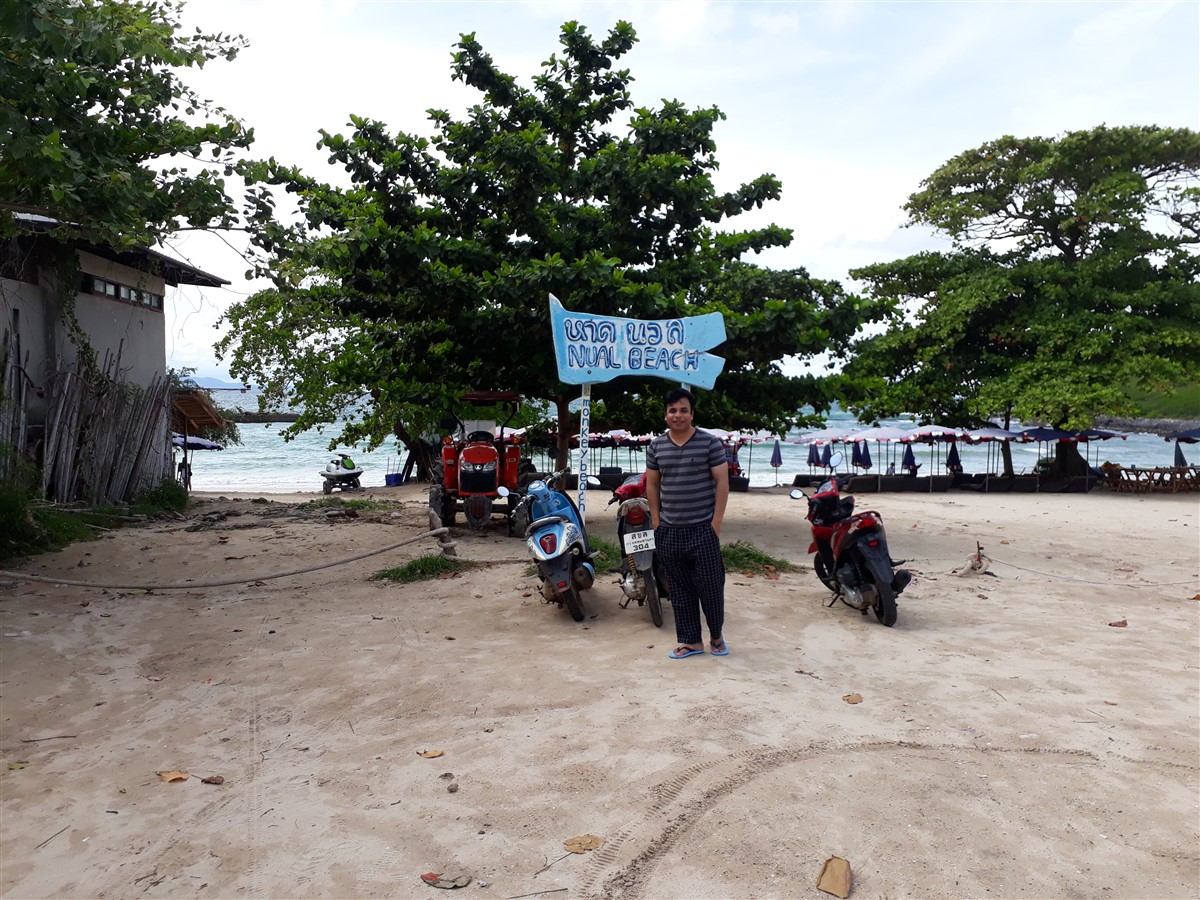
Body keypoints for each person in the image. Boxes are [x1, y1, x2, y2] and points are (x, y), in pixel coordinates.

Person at [645, 387, 730, 659]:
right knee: (679, 591)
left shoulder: (709, 443)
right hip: (669, 531)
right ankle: (691, 641)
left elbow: (722, 483)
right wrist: (657, 521)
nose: (677, 415)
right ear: (665, 415)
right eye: (672, 410)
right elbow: (652, 485)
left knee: (711, 586)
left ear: (692, 414)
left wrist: (715, 523)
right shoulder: (656, 446)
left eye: (683, 410)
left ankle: (716, 636)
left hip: (703, 529)